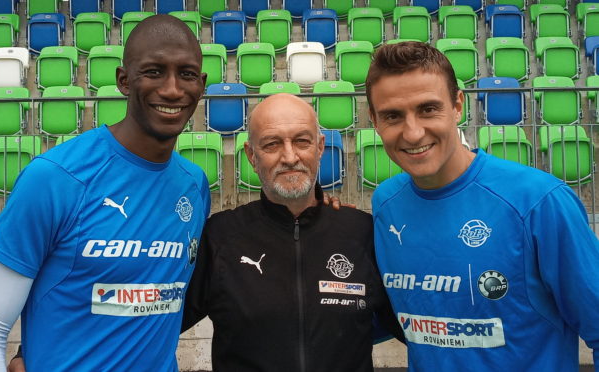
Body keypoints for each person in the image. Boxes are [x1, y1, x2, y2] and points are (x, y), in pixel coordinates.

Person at [0, 15, 210, 372]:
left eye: (186, 74)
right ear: (124, 80)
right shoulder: (54, 179)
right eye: (153, 71)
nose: (172, 89)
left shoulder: (194, 185)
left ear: (201, 84)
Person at [366, 41, 599, 371]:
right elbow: (378, 316)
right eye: (393, 116)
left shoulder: (538, 201)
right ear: (374, 120)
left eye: (428, 109)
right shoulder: (386, 203)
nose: (413, 132)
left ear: (458, 106)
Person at [181, 93, 404, 372]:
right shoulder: (220, 237)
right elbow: (158, 323)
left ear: (320, 147)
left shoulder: (363, 232)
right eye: (272, 144)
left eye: (302, 141)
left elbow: (413, 326)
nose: (289, 156)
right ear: (251, 155)